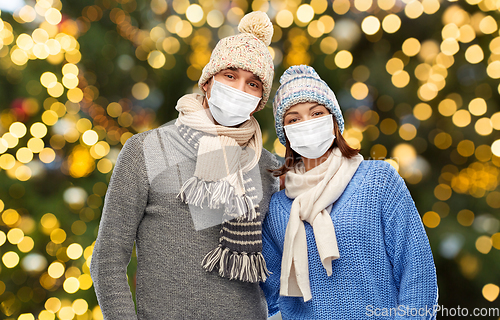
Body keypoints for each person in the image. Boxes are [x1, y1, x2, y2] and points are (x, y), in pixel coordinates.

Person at [90, 11, 279, 320]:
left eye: (253, 84)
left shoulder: (268, 166)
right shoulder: (145, 150)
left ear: (259, 101)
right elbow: (107, 258)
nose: (238, 90)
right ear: (207, 82)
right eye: (230, 75)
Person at [260, 65, 438, 319]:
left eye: (316, 113)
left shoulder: (378, 180)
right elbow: (272, 298)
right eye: (294, 119)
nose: (306, 124)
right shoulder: (279, 208)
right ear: (285, 133)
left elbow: (417, 275)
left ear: (333, 121)